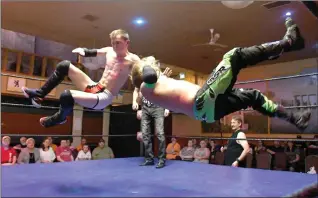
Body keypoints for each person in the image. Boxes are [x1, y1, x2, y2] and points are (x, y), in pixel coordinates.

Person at [130, 18, 311, 131]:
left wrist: (158, 73)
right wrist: (142, 63)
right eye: (152, 65)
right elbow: (148, 77)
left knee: (253, 96)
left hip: (208, 111)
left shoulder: (154, 89)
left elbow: (152, 80)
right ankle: (289, 42)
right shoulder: (146, 87)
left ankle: (295, 119)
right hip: (203, 100)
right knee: (234, 55)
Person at [22, 29, 140, 127]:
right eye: (113, 42)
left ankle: (59, 118)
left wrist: (137, 101)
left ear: (127, 43)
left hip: (104, 96)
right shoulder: (110, 51)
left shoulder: (133, 60)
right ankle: (39, 94)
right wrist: (83, 51)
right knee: (64, 65)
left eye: (118, 43)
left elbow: (141, 81)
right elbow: (93, 52)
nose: (114, 46)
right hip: (95, 86)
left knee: (66, 95)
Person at [133, 67, 172, 168]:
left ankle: (161, 159)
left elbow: (166, 93)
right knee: (145, 134)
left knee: (159, 133)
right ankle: (149, 158)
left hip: (158, 107)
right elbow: (136, 90)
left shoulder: (158, 78)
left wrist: (167, 108)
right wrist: (134, 101)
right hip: (145, 108)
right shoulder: (141, 78)